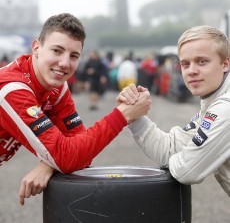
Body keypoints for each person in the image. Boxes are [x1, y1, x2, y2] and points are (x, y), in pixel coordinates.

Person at [0, 13, 151, 205]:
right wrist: (123, 114)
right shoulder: (11, 89)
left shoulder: (57, 87)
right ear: (36, 48)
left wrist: (49, 164)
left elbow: (80, 152)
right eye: (57, 51)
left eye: (73, 56)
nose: (64, 63)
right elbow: (68, 156)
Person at [117, 25, 230, 197]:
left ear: (225, 63)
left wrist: (187, 157)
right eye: (185, 64)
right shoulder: (212, 102)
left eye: (202, 61)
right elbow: (170, 149)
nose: (192, 71)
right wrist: (135, 116)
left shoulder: (225, 107)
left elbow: (187, 171)